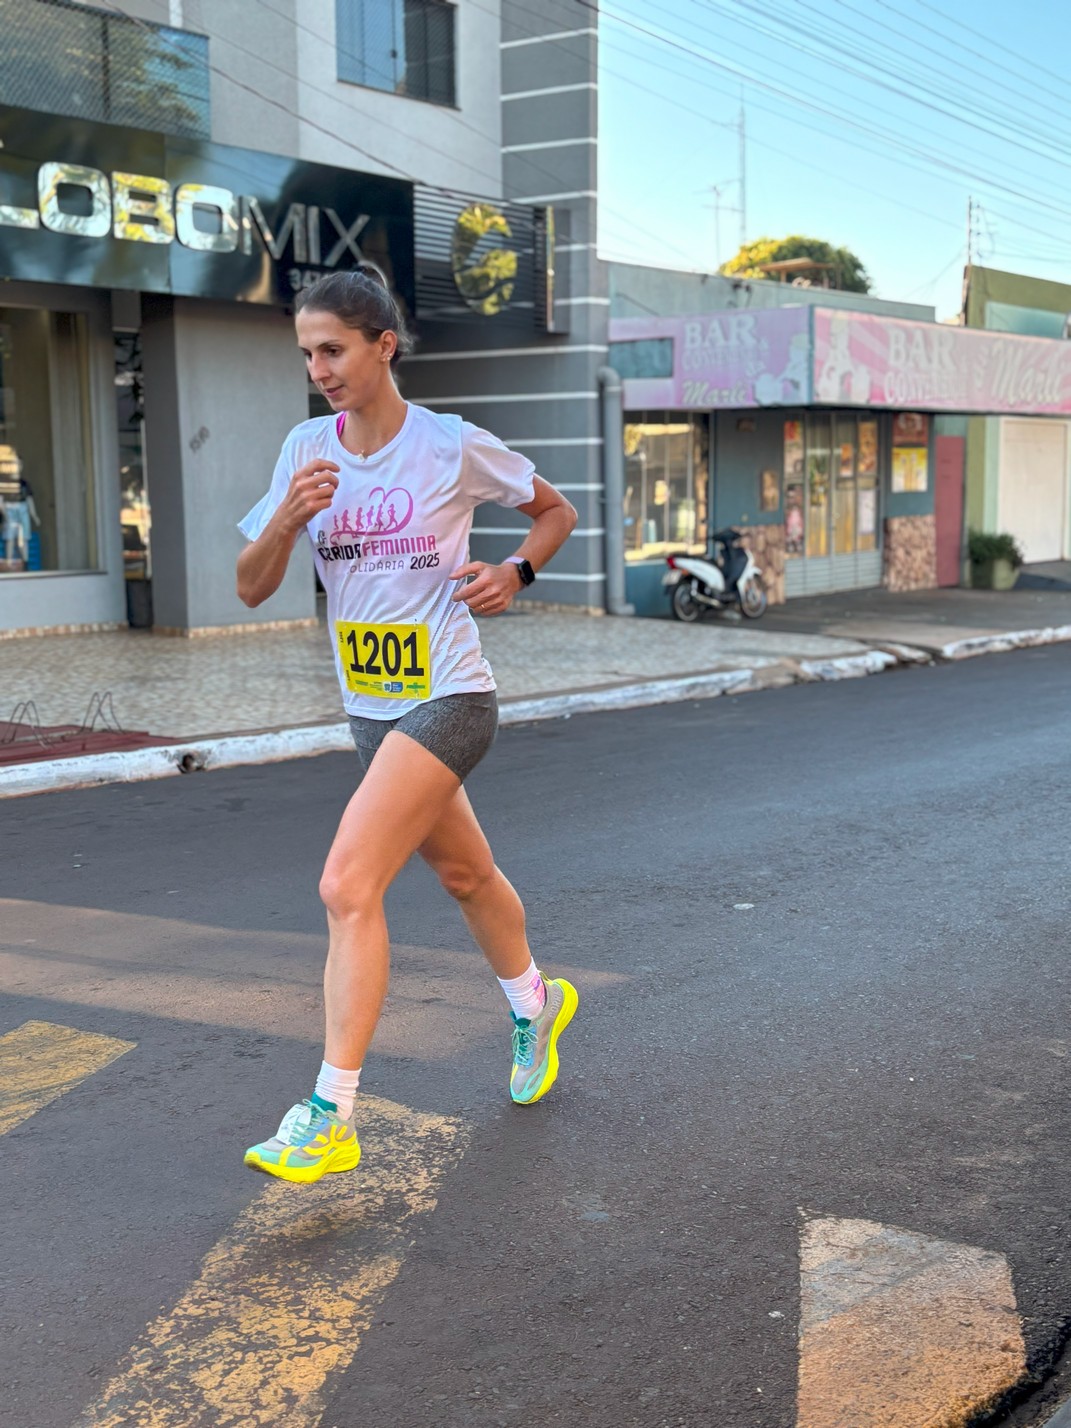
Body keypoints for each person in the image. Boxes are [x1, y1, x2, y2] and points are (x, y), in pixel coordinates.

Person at [236, 266, 579, 1184]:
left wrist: (514, 574)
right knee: (467, 874)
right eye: (308, 353)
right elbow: (250, 584)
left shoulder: (448, 446)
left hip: (451, 697)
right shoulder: (306, 450)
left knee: (347, 885)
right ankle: (535, 1002)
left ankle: (329, 1112)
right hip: (369, 711)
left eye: (334, 349)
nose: (320, 369)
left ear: (383, 345)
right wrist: (287, 521)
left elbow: (554, 511)